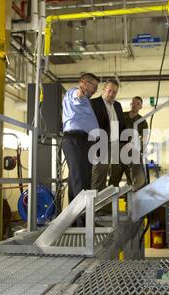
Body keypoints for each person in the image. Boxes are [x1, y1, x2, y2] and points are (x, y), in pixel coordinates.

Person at [62, 73, 100, 226]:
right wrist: (81, 92)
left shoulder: (87, 102)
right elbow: (77, 96)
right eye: (94, 86)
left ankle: (75, 221)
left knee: (78, 181)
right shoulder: (75, 93)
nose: (96, 90)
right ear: (84, 83)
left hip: (84, 141)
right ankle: (83, 222)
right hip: (76, 139)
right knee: (80, 183)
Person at [90, 79, 124, 192]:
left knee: (116, 174)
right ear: (104, 89)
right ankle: (96, 208)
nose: (111, 94)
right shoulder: (94, 103)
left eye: (114, 92)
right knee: (99, 177)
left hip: (115, 144)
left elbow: (121, 124)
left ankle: (108, 204)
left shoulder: (118, 105)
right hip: (101, 145)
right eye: (109, 91)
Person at [109, 96, 148, 191]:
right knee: (114, 178)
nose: (135, 105)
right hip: (118, 150)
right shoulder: (121, 116)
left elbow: (144, 138)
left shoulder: (142, 121)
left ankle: (131, 204)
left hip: (131, 152)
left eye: (138, 104)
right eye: (133, 103)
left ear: (141, 107)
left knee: (131, 179)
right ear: (130, 104)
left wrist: (140, 151)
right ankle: (109, 204)